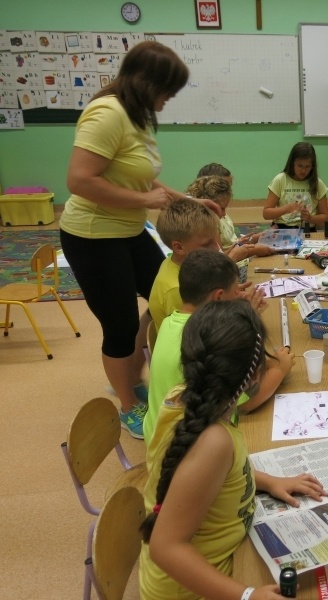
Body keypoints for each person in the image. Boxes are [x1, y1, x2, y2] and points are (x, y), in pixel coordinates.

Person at [60, 41, 221, 438]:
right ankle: (128, 404)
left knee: (168, 292)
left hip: (129, 231)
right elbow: (79, 181)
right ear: (147, 83)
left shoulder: (136, 117)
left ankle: (132, 373)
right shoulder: (107, 114)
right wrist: (144, 200)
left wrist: (186, 198)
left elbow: (142, 176)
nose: (168, 100)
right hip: (94, 236)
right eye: (167, 91)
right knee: (119, 323)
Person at [139, 299, 327, 600]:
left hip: (205, 564)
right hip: (190, 588)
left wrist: (267, 481)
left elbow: (208, 473)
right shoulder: (213, 441)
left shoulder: (185, 399)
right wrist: (247, 595)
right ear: (253, 375)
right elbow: (165, 547)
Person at [143, 249, 291, 446]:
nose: (241, 294)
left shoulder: (173, 320)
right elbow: (247, 402)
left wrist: (236, 317)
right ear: (219, 297)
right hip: (186, 447)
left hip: (160, 433)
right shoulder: (211, 340)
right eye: (236, 290)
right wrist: (281, 369)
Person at [149, 199, 220, 334]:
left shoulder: (178, 264)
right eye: (206, 244)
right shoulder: (176, 290)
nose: (217, 248)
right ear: (179, 247)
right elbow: (194, 339)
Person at [186, 175, 274, 263]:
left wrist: (238, 245)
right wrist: (248, 251)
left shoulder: (208, 223)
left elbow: (219, 255)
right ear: (207, 204)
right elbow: (217, 266)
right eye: (222, 208)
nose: (224, 214)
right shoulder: (200, 229)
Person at [262, 142, 328, 230]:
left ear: (313, 166)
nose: (303, 171)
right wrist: (286, 209)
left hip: (307, 229)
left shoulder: (318, 183)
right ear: (292, 163)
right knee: (259, 242)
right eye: (300, 166)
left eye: (307, 166)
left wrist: (310, 218)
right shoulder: (280, 180)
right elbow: (266, 214)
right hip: (282, 229)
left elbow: (325, 217)